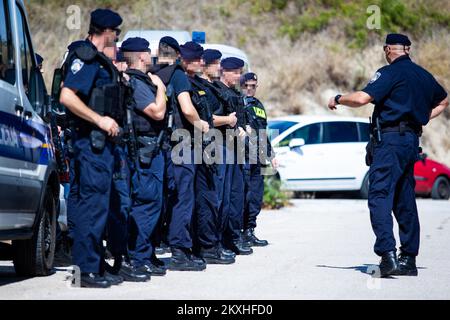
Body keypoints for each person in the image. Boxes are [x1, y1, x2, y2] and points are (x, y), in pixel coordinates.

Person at [327, 33, 449, 277]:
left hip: (391, 141)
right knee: (404, 199)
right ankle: (409, 260)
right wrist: (422, 117)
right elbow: (444, 100)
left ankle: (387, 255)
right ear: (408, 49)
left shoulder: (389, 73)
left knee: (380, 195)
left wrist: (338, 98)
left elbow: (362, 98)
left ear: (388, 50)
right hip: (411, 142)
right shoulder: (423, 75)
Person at [59, 8, 124, 288]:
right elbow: (66, 96)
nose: (118, 38)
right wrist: (99, 119)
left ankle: (95, 264)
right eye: (116, 33)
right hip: (90, 144)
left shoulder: (98, 61)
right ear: (106, 32)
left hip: (102, 146)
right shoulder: (85, 56)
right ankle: (84, 271)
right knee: (91, 207)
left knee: (101, 206)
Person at [159, 41, 209, 271]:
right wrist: (200, 124)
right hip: (181, 142)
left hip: (164, 143)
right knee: (184, 198)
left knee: (169, 197)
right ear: (184, 58)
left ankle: (170, 247)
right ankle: (180, 251)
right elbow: (187, 109)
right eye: (197, 58)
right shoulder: (179, 76)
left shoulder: (157, 73)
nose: (201, 63)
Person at [184, 46, 235, 264]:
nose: (220, 68)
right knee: (209, 199)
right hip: (206, 145)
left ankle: (213, 243)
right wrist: (228, 120)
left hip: (218, 145)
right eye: (217, 64)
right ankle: (206, 246)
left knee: (217, 199)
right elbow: (207, 118)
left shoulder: (210, 88)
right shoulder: (196, 86)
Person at [121, 37, 168, 277]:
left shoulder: (140, 81)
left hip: (152, 149)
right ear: (142, 56)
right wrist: (160, 87)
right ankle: (138, 258)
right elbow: (157, 112)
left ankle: (146, 253)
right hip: (144, 152)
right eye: (149, 53)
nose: (152, 57)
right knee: (146, 204)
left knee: (154, 204)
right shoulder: (138, 83)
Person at [212, 57, 253, 255]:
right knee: (223, 197)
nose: (239, 76)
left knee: (236, 196)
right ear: (224, 71)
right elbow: (215, 121)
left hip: (236, 150)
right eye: (235, 72)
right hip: (222, 148)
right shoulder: (217, 91)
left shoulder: (235, 94)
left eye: (240, 72)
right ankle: (220, 240)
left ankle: (233, 237)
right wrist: (234, 127)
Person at [240, 72, 276, 247]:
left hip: (258, 157)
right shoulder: (237, 102)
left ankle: (249, 231)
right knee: (243, 196)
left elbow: (263, 133)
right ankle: (238, 233)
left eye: (252, 86)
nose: (249, 88)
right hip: (243, 156)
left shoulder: (259, 106)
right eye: (246, 85)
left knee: (255, 197)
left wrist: (271, 154)